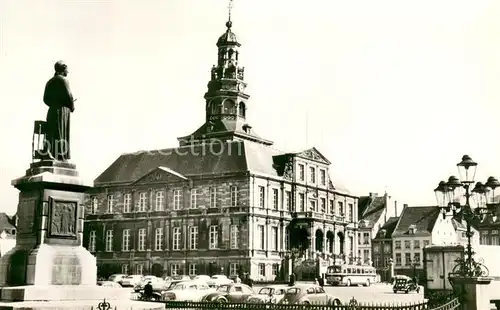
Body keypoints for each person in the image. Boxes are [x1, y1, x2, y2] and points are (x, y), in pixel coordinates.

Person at [42, 60, 76, 161]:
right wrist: (71, 106)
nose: (68, 72)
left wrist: (53, 104)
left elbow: (45, 99)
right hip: (62, 112)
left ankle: (52, 154)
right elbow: (69, 95)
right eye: (67, 70)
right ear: (63, 69)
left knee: (53, 132)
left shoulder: (50, 81)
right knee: (61, 132)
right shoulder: (63, 80)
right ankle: (61, 156)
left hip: (52, 110)